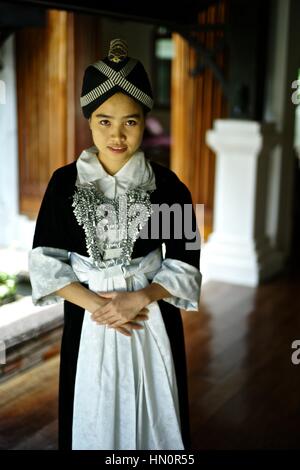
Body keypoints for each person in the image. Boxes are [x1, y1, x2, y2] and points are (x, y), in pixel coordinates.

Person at [29, 38, 202, 450]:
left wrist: (138, 298)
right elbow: (46, 263)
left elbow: (184, 263)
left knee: (155, 416)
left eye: (131, 121)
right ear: (88, 122)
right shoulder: (63, 184)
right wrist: (103, 309)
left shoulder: (168, 187)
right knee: (91, 405)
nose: (118, 135)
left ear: (145, 121)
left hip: (150, 314)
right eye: (105, 121)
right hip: (88, 321)